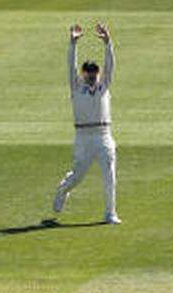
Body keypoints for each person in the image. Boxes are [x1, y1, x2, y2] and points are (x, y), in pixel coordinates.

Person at [52, 23, 119, 224]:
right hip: (83, 137)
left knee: (110, 176)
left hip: (104, 135)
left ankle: (110, 213)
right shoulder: (76, 87)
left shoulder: (103, 86)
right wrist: (73, 43)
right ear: (83, 73)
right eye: (88, 72)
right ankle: (63, 190)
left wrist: (108, 43)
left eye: (94, 71)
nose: (92, 74)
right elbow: (70, 66)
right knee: (78, 176)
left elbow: (111, 66)